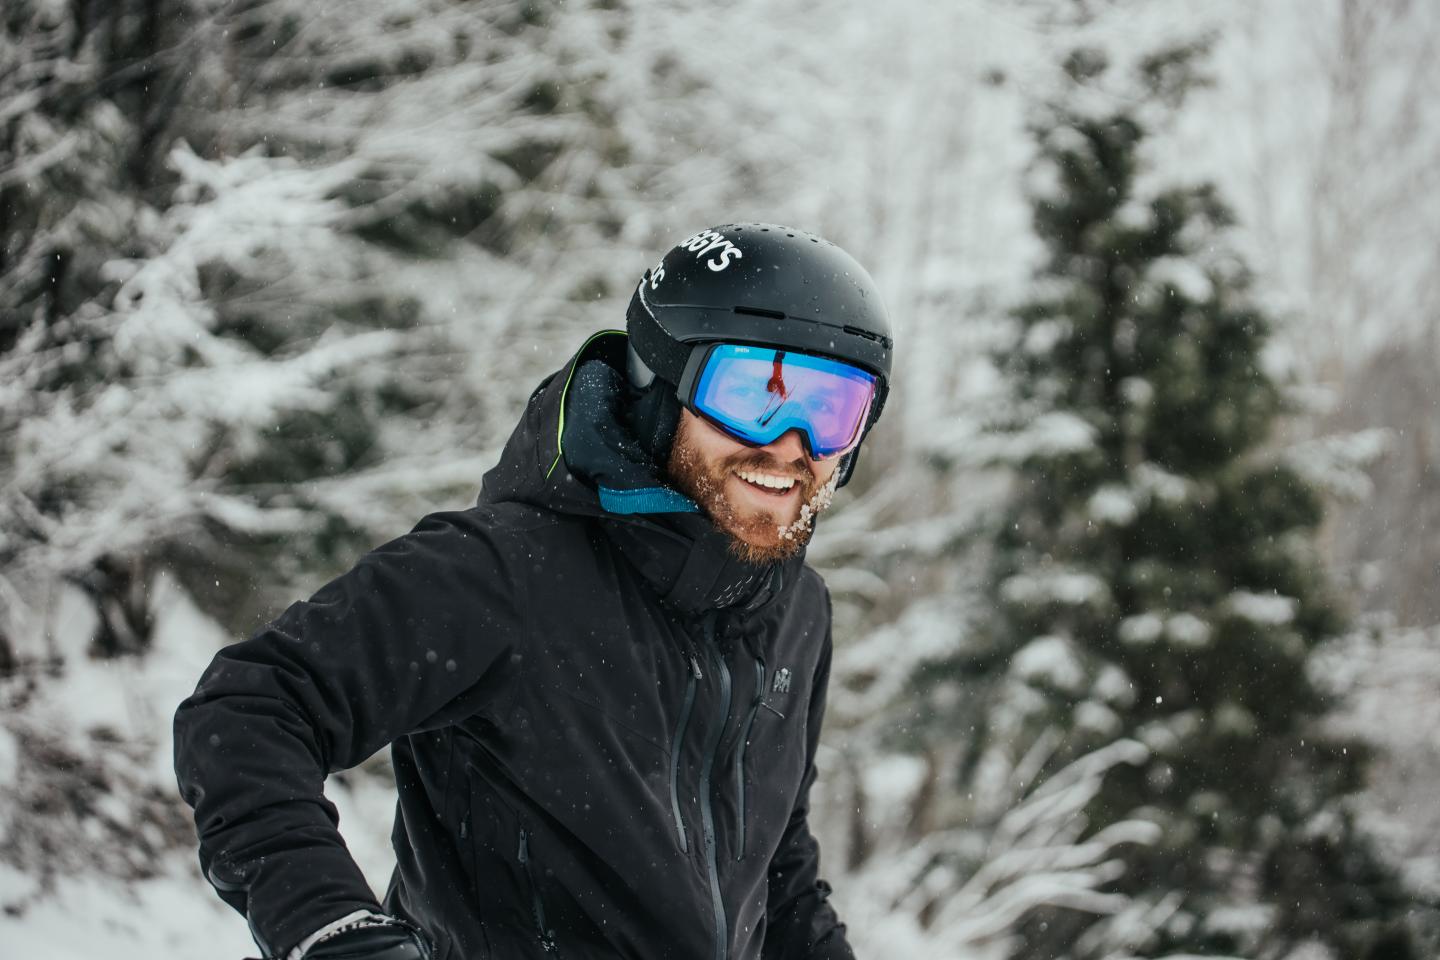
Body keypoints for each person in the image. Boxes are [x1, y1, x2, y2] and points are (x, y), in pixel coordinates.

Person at [174, 223, 893, 960]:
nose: (790, 443)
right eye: (753, 393)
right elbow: (254, 705)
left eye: (833, 409)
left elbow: (775, 866)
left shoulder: (796, 612)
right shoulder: (506, 573)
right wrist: (329, 927)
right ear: (661, 385)